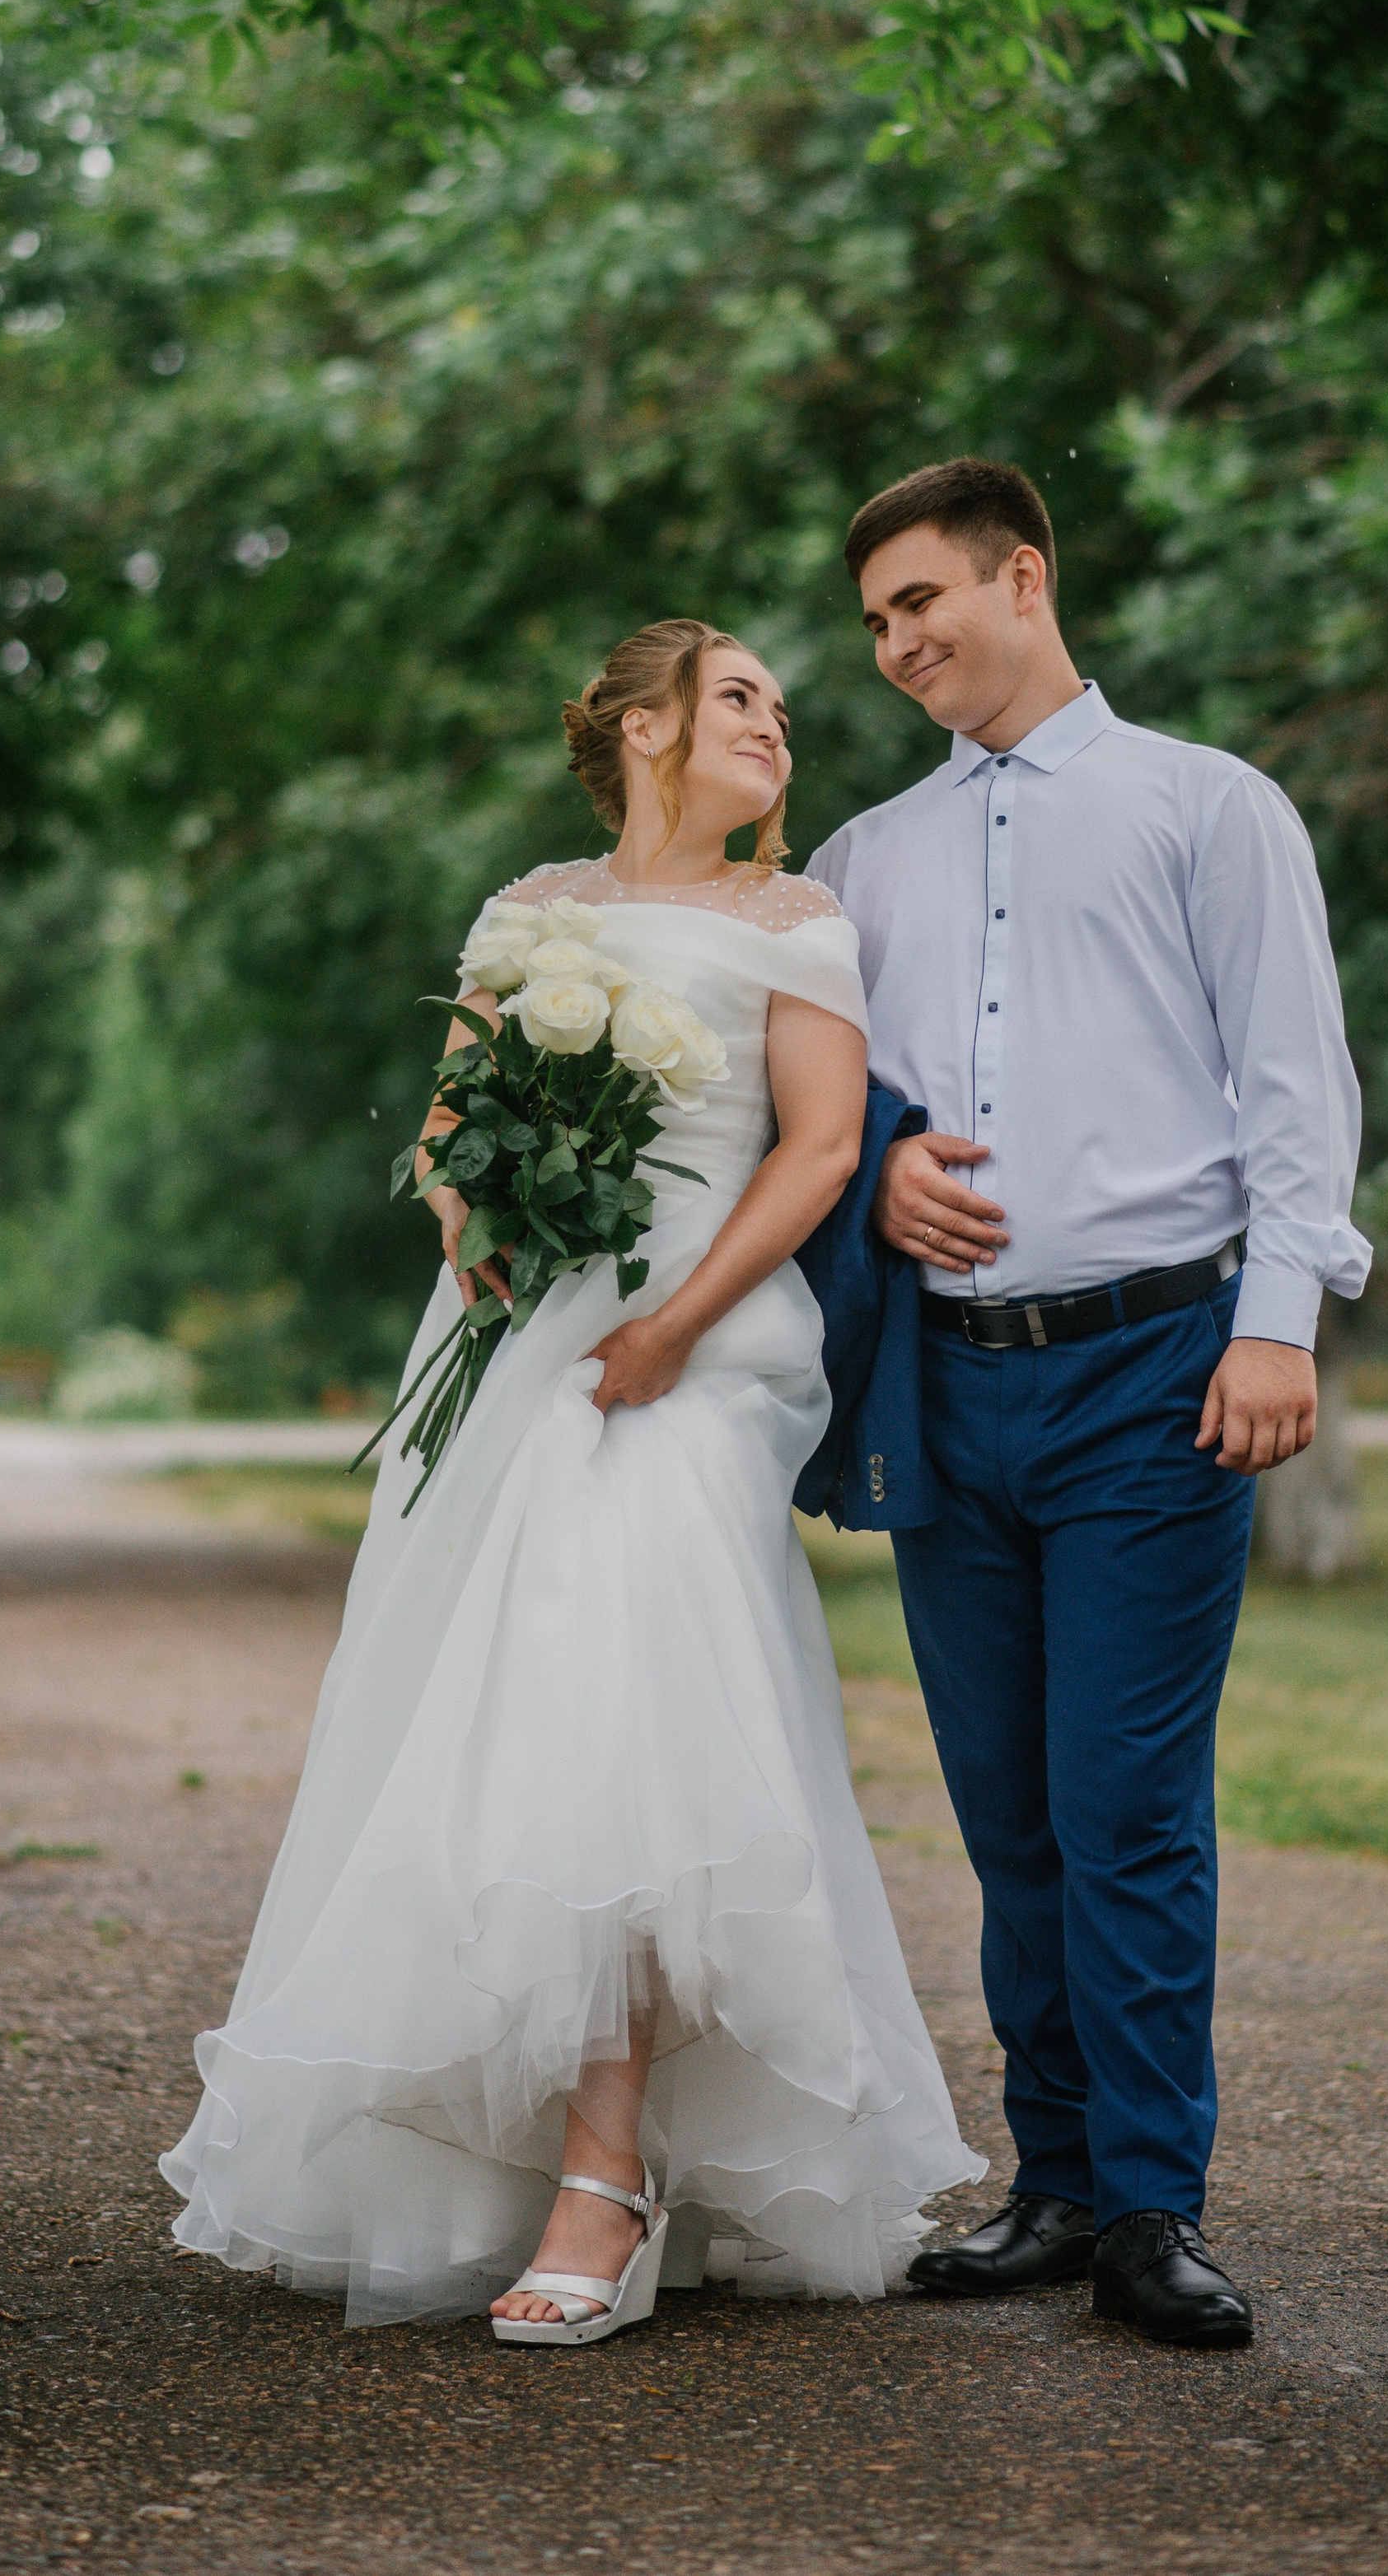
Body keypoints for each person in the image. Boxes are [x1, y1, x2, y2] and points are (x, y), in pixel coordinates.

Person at [161, 619, 980, 2345]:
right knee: (513, 1717)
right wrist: (477, 1231)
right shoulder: (526, 911)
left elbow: (825, 1148)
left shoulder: (795, 922)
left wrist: (676, 1323)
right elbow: (457, 1125)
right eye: (738, 695)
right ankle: (560, 2154)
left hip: (706, 1346)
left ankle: (602, 2176)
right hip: (527, 1341)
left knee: (609, 1684)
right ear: (638, 727)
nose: (774, 722)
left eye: (780, 703)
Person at [806, 459, 1370, 2350]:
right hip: (943, 1388)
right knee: (1007, 1816)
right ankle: (1047, 2182)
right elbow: (811, 1107)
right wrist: (878, 1168)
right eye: (872, 620)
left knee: (1123, 1805)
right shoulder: (856, 863)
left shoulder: (1206, 806)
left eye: (917, 601)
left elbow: (1290, 1077)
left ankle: (1148, 2205)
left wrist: (1275, 1321)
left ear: (1020, 573)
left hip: (1155, 1370)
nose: (892, 645)